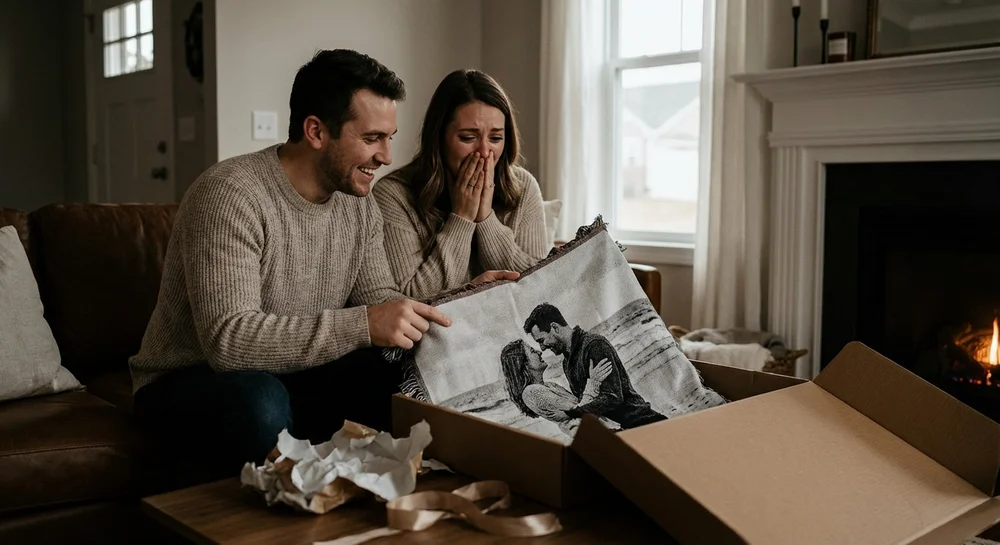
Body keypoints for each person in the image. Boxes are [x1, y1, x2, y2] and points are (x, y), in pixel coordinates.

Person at [127, 50, 511, 477]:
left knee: (401, 370)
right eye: (371, 139)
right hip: (191, 381)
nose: (386, 156)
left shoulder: (357, 204)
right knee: (261, 401)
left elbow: (380, 301)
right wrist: (362, 324)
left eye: (389, 137)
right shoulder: (230, 195)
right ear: (315, 131)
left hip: (297, 373)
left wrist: (461, 300)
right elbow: (228, 342)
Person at [372, 69, 548, 300]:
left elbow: (540, 288)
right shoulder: (393, 194)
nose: (485, 152)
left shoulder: (523, 187)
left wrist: (485, 219)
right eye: (468, 137)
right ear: (439, 137)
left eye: (495, 138)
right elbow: (409, 299)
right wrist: (462, 219)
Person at [523, 303, 668, 429]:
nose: (542, 348)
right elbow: (589, 399)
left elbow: (613, 398)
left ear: (554, 328)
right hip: (623, 431)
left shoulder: (594, 345)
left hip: (644, 424)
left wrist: (574, 412)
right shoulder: (567, 361)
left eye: (541, 340)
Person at [499, 339, 614, 437]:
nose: (539, 352)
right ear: (523, 365)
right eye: (533, 351)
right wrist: (594, 382)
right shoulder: (531, 392)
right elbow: (579, 411)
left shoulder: (549, 386)